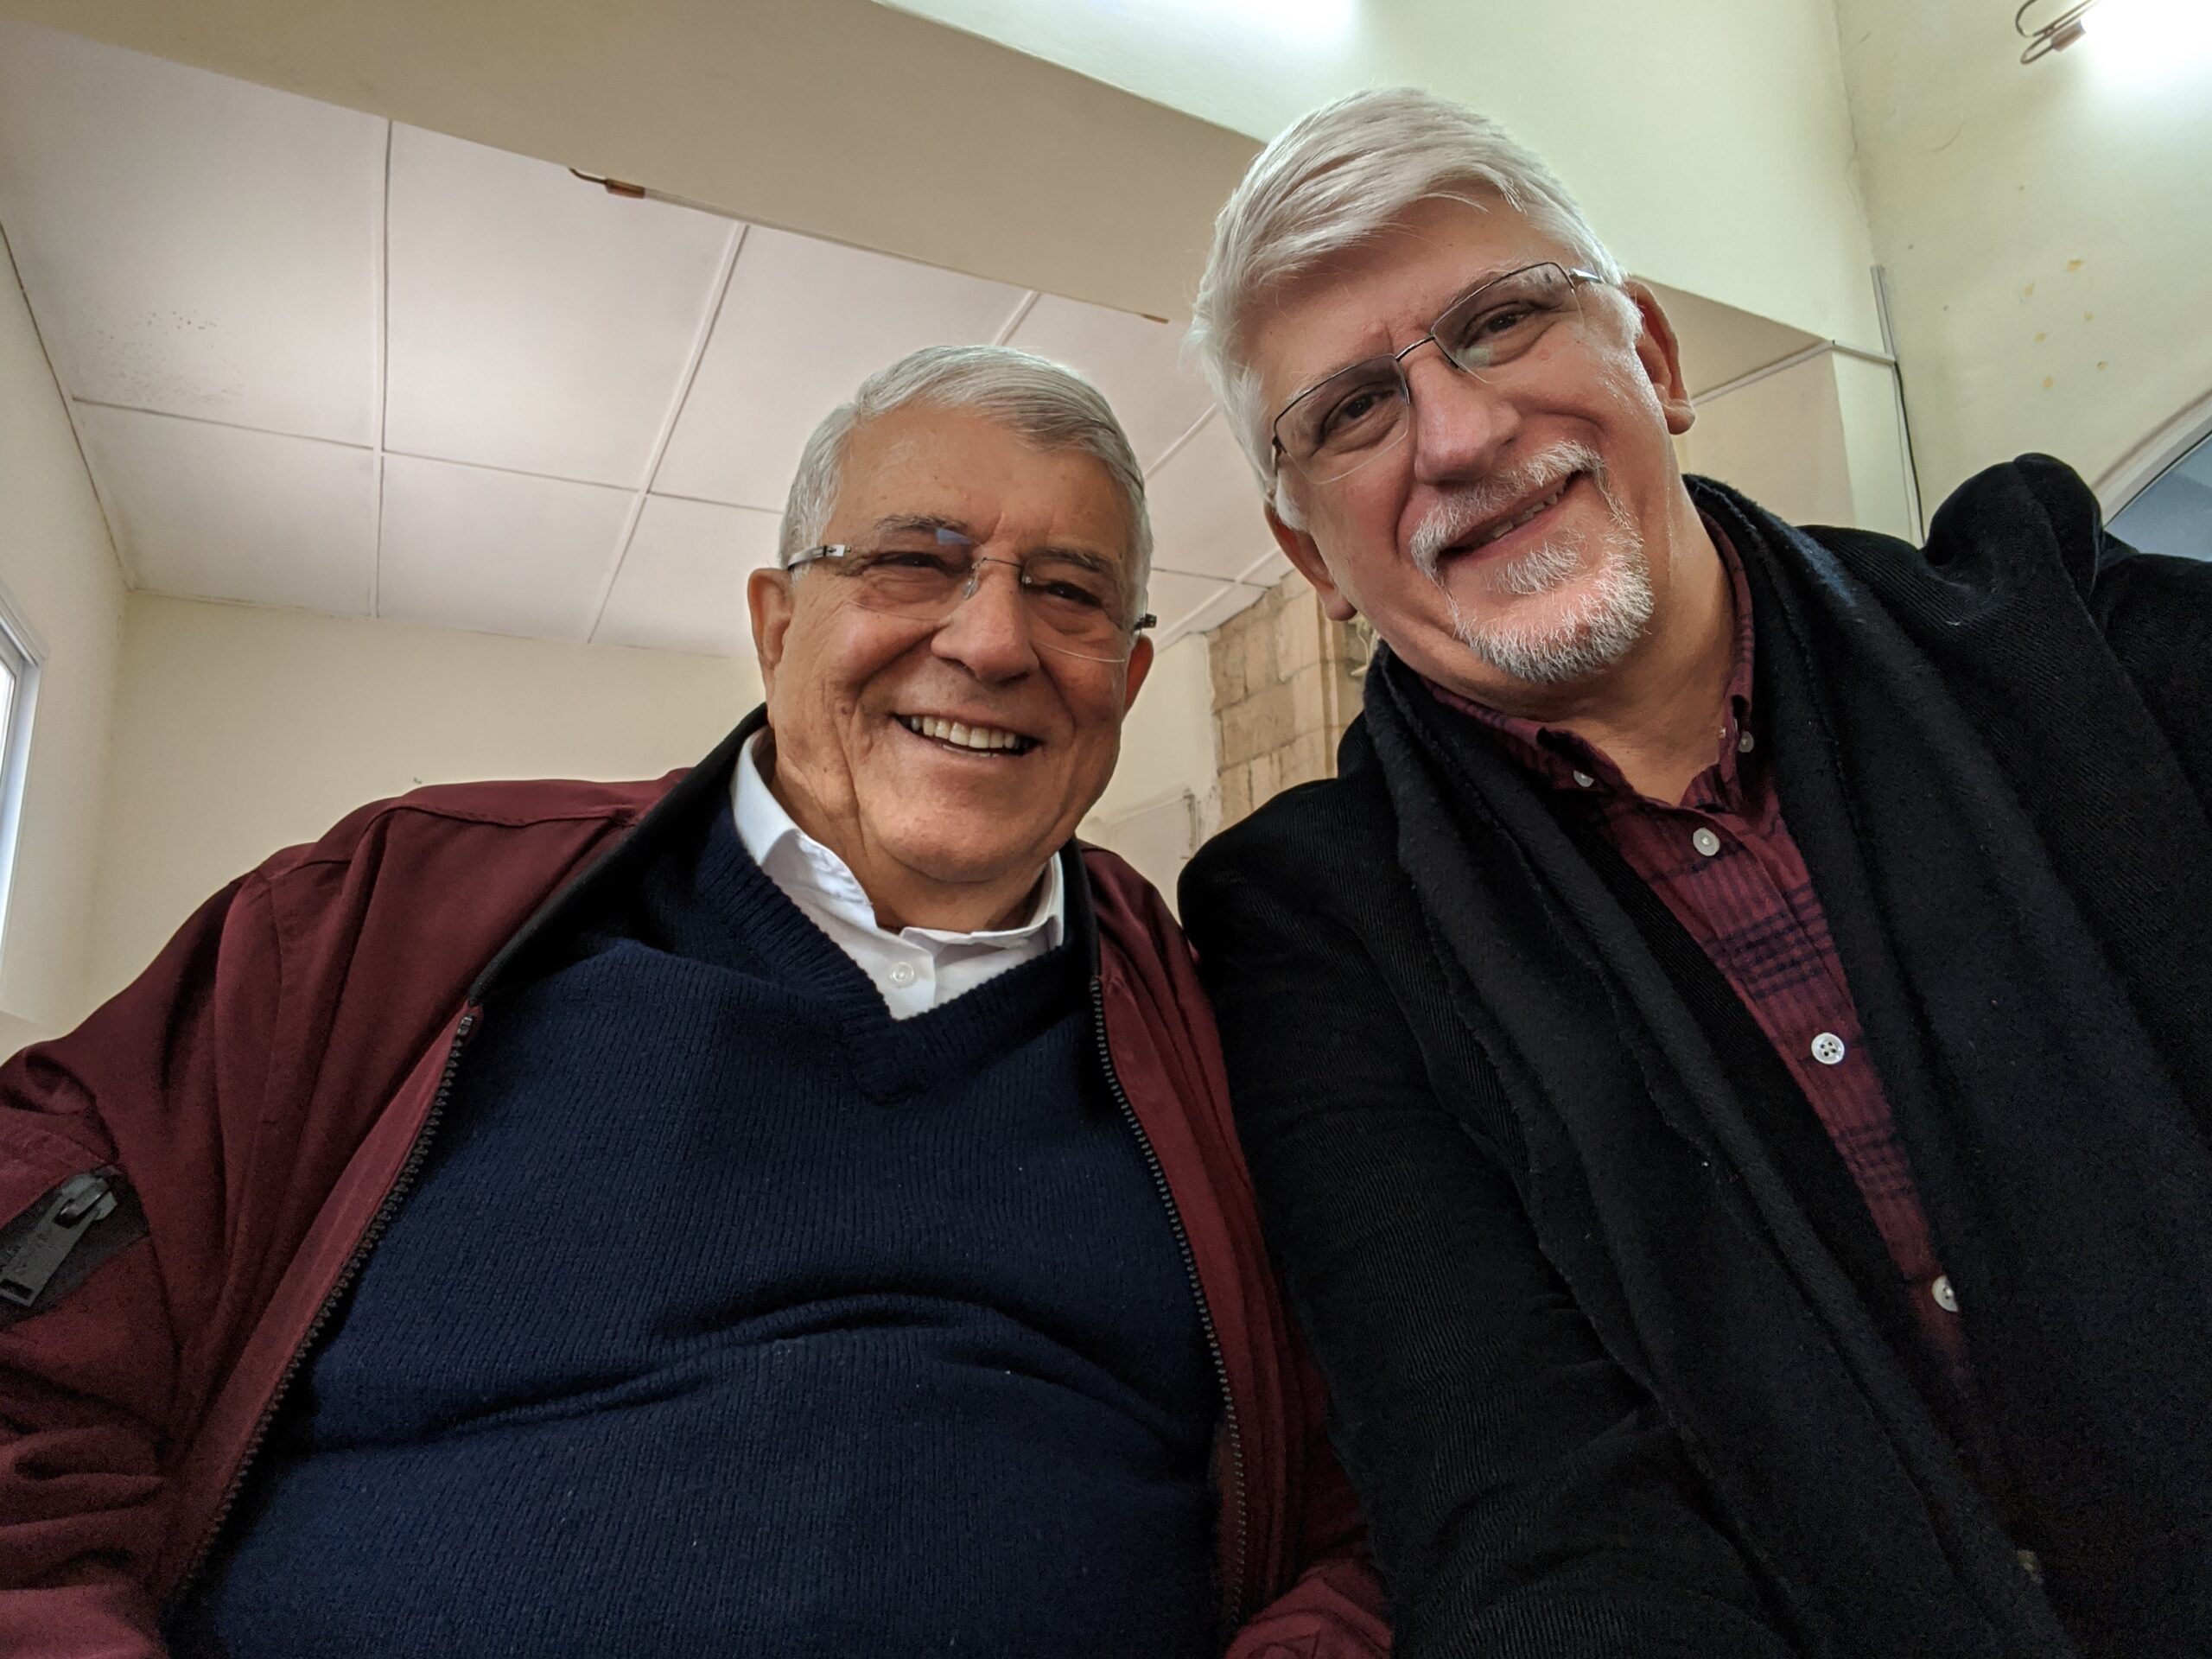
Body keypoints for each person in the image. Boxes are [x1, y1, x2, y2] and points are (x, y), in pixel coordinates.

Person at [0, 346, 1388, 1659]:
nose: (990, 640)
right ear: (776, 625)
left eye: (1069, 592)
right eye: (914, 561)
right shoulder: (391, 913)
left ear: (1128, 680)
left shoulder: (1227, 1044)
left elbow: (1378, 1489)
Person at [1177, 86, 2212, 1659]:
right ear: (1313, 554)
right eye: (1353, 413)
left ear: (1654, 361)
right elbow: (1530, 1510)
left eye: (1503, 320)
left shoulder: (2069, 631)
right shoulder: (1313, 931)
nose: (1457, 434)